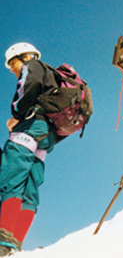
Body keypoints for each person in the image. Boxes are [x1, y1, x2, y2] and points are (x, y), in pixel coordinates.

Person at [0, 42, 57, 255]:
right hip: (45, 138)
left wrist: (16, 115)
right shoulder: (51, 76)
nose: (12, 69)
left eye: (12, 63)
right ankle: (15, 244)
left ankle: (3, 243)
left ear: (24, 56)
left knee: (10, 182)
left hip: (29, 129)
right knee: (29, 192)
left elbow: (27, 87)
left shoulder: (32, 66)